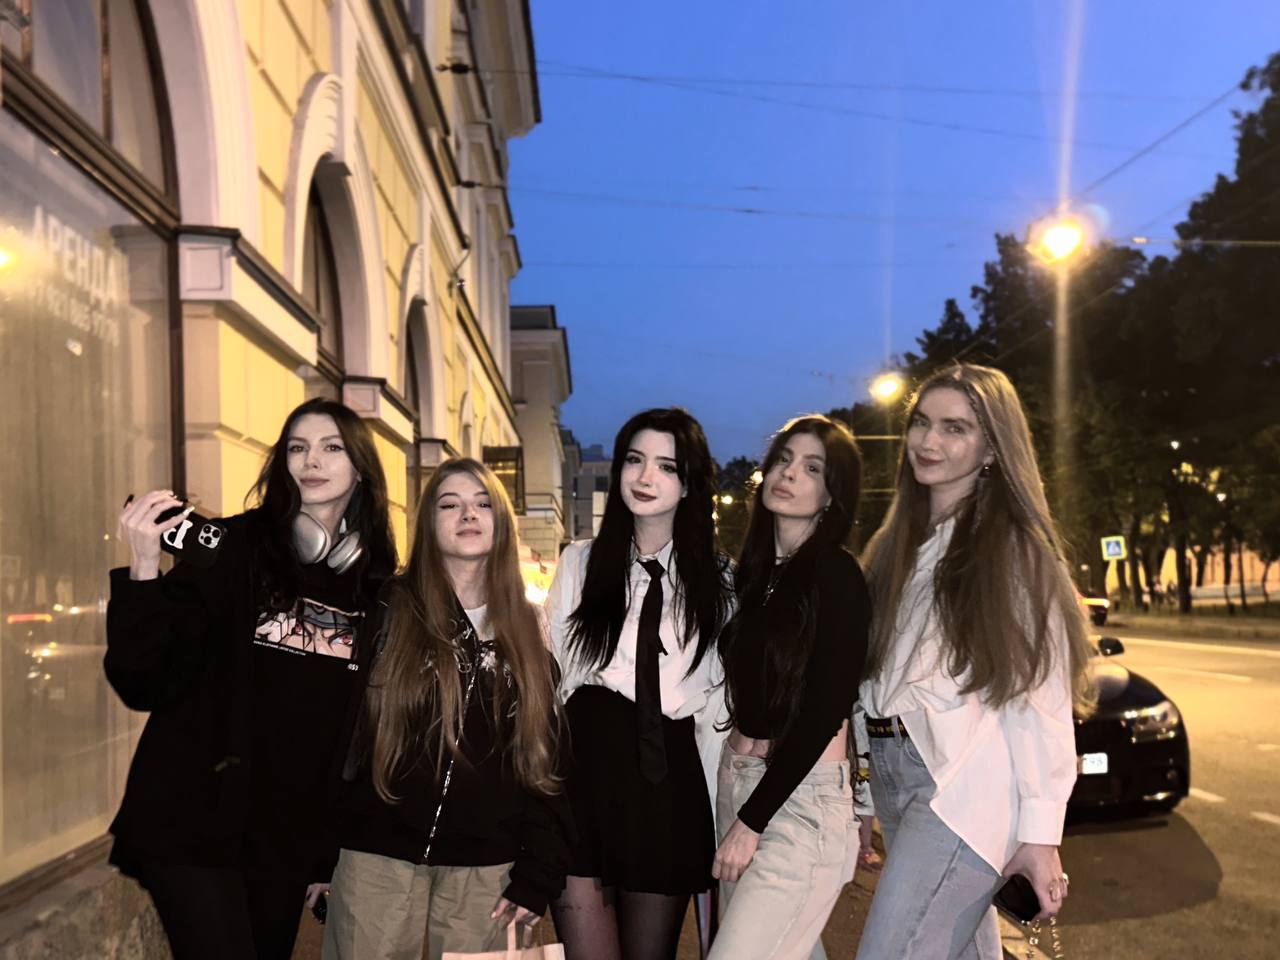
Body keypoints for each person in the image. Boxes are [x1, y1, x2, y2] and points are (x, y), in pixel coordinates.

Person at [106, 398, 398, 960]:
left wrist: (326, 853)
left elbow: (348, 735)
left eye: (331, 447)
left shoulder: (372, 585)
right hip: (194, 819)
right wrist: (143, 568)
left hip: (285, 840)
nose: (311, 460)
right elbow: (141, 681)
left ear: (361, 468)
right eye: (297, 447)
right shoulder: (231, 549)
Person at [855, 364, 1095, 960]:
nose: (929, 440)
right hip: (894, 773)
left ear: (991, 450)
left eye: (955, 428)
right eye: (922, 423)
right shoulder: (896, 545)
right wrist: (859, 794)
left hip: (959, 789)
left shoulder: (1012, 551)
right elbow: (874, 681)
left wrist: (1041, 834)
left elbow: (1038, 696)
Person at [322, 458, 570, 960]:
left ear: (502, 523)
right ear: (428, 524)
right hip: (376, 857)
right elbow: (339, 729)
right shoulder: (387, 608)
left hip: (487, 871)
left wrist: (536, 875)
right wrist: (317, 853)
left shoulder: (529, 628)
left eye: (483, 504)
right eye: (450, 504)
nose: (468, 514)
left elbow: (545, 759)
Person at [546, 408, 734, 960]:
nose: (646, 477)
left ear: (689, 484)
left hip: (666, 787)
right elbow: (552, 674)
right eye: (635, 460)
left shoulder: (720, 580)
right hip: (582, 775)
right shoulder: (580, 562)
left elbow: (719, 704)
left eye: (667, 466)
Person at [709, 415, 871, 960]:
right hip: (737, 783)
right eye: (783, 459)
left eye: (812, 468)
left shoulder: (837, 576)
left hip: (799, 805)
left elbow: (826, 709)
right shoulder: (755, 576)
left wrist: (752, 821)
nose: (789, 473)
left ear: (832, 495)